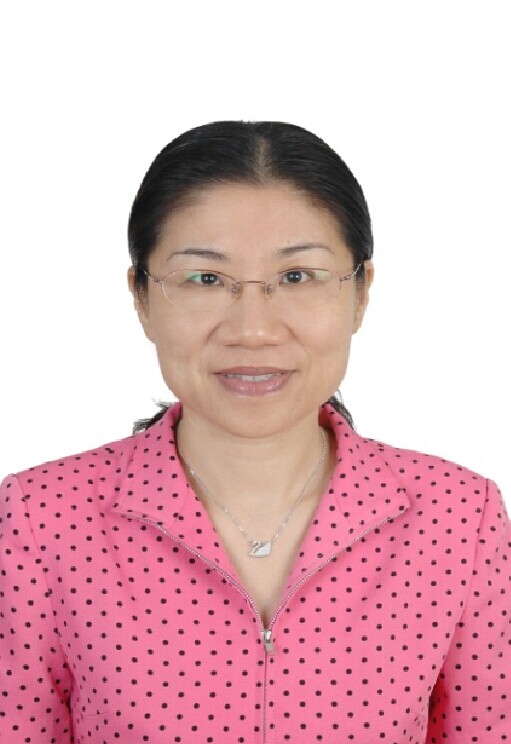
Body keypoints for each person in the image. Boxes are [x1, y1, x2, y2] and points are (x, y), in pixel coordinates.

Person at [0, 120, 509, 743]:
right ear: (141, 298)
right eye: (205, 279)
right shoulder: (40, 518)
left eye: (297, 277)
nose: (253, 330)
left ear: (360, 294)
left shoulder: (460, 517)